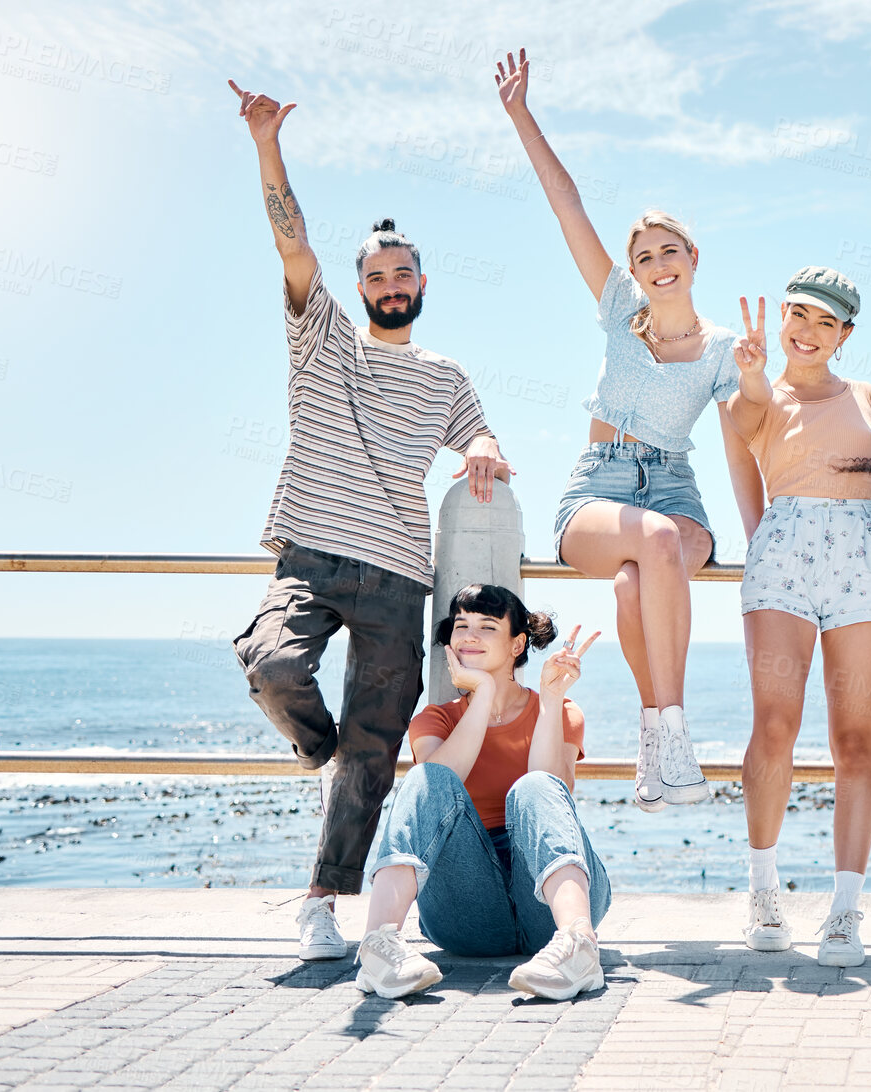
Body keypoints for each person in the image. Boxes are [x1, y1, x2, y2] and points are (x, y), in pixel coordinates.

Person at [224, 80, 512, 962]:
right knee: (271, 666)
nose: (389, 285)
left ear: (421, 285)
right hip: (311, 556)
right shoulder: (324, 335)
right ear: (356, 288)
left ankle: (323, 901)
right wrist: (268, 144)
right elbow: (291, 237)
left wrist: (481, 451)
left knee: (378, 751)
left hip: (397, 576)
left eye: (402, 274)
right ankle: (325, 752)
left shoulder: (445, 371)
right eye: (375, 276)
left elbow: (482, 431)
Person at [495, 48, 760, 812]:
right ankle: (671, 734)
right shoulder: (618, 309)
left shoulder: (717, 348)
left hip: (676, 489)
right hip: (600, 488)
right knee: (649, 548)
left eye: (668, 250)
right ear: (636, 271)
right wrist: (521, 115)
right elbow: (567, 204)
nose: (655, 264)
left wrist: (750, 380)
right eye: (643, 256)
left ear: (692, 257)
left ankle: (654, 736)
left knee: (636, 575)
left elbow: (746, 436)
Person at [726, 268, 871, 967]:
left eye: (825, 322)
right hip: (784, 555)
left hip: (865, 557)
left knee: (856, 740)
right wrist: (749, 373)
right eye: (798, 315)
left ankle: (843, 911)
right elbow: (747, 423)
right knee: (775, 727)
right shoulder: (754, 395)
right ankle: (764, 890)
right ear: (781, 319)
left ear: (846, 335)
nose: (807, 332)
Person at [356, 584, 610, 1000]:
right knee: (425, 777)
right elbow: (440, 783)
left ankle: (579, 946)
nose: (469, 636)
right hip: (467, 910)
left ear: (517, 644)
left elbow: (553, 791)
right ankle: (378, 948)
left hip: (548, 896)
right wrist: (484, 693)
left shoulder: (561, 710)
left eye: (487, 626)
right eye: (461, 625)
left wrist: (549, 699)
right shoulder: (433, 720)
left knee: (533, 785)